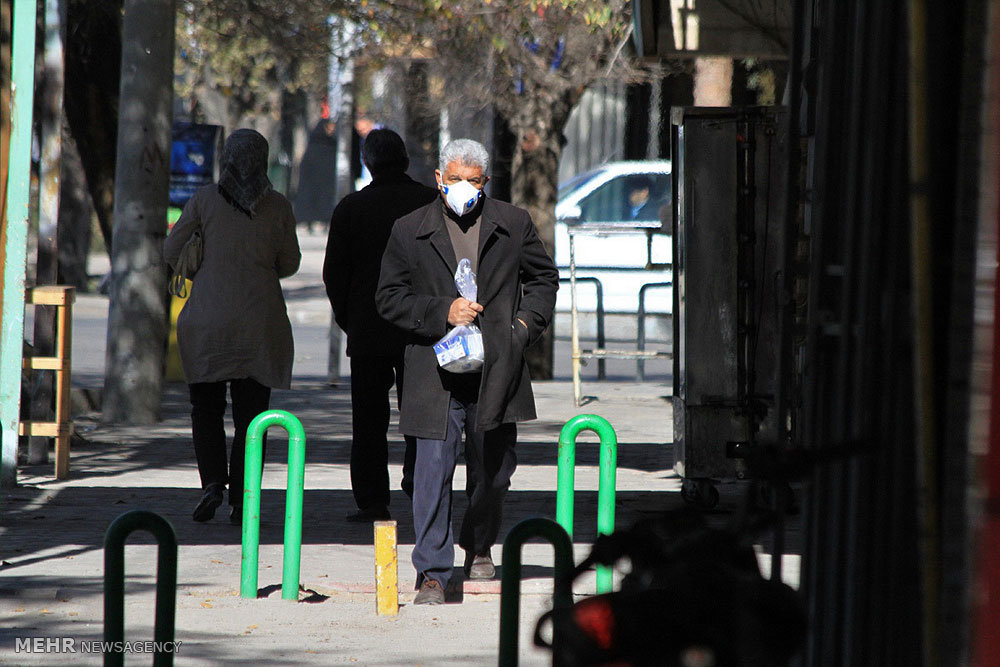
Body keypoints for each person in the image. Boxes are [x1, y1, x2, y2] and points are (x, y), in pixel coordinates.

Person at [376, 138, 559, 604]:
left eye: (472, 181)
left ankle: (478, 544)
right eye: (454, 178)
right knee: (430, 476)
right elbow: (389, 297)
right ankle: (433, 573)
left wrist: (521, 329)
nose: (462, 188)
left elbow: (543, 279)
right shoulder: (409, 228)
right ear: (438, 179)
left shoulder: (512, 223)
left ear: (485, 183)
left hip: (496, 366)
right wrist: (443, 311)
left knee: (494, 473)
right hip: (433, 372)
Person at [164, 128, 301, 526]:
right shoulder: (278, 206)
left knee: (205, 409)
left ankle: (211, 485)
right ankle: (244, 500)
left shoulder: (204, 200)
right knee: (252, 418)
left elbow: (172, 250)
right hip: (260, 324)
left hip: (206, 322)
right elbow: (289, 264)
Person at [323, 128, 438, 523]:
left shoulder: (352, 208)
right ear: (405, 161)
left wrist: (350, 320)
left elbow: (334, 274)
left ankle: (372, 500)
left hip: (369, 330)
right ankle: (418, 481)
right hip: (421, 329)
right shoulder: (429, 203)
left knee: (368, 422)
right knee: (421, 414)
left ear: (367, 162)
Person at [293, 118, 339, 234]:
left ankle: (324, 221)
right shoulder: (313, 147)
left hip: (326, 184)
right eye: (328, 128)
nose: (330, 131)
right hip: (312, 184)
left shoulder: (332, 146)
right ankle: (309, 221)